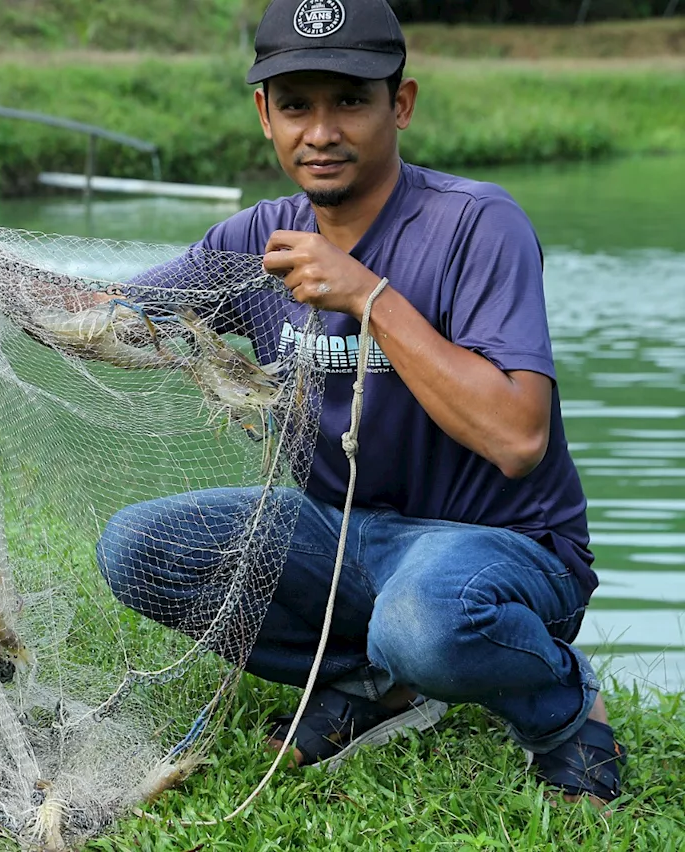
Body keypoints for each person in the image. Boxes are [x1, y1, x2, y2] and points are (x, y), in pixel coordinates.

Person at [93, 0, 624, 808]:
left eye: (350, 101)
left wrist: (370, 295)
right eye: (297, 105)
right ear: (265, 115)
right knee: (138, 548)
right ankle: (371, 679)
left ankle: (564, 707)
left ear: (399, 105)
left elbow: (517, 437)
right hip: (341, 538)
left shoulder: (478, 224)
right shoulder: (255, 239)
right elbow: (105, 315)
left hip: (500, 544)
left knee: (426, 620)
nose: (322, 131)